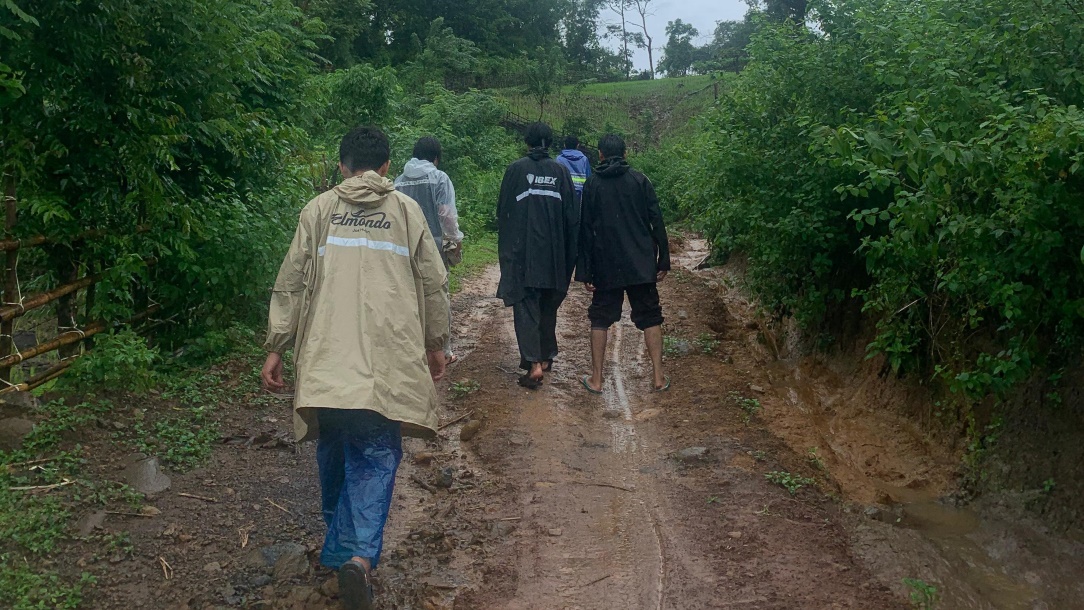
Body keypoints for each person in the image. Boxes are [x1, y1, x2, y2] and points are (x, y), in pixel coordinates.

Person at [260, 126, 449, 610]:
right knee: (377, 451)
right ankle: (358, 558)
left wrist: (277, 345)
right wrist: (435, 343)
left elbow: (292, 282)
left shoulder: (319, 211)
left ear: (341, 166)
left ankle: (339, 549)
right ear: (386, 168)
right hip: (386, 363)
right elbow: (432, 282)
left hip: (327, 361)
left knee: (335, 444)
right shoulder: (406, 213)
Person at [576, 134, 671, 393]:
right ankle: (658, 377)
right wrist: (663, 259)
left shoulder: (592, 184)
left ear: (600, 155)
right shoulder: (640, 181)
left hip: (605, 264)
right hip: (641, 263)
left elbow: (585, 229)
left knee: (600, 319)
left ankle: (596, 380)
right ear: (626, 154)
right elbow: (656, 220)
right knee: (651, 316)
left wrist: (584, 269)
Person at [496, 122, 579, 389]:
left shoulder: (515, 170)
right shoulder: (561, 172)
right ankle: (545, 356)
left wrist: (508, 252)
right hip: (555, 254)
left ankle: (533, 364)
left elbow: (503, 212)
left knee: (526, 304)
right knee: (548, 304)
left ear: (527, 143)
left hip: (523, 253)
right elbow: (571, 217)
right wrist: (571, 255)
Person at [394, 136, 464, 363]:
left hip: (404, 246)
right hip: (434, 247)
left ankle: (410, 350)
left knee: (408, 295)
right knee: (437, 296)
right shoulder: (439, 178)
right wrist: (455, 240)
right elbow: (446, 214)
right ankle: (443, 351)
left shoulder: (398, 182)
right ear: (436, 158)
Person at [555, 135, 591, 203]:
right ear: (577, 145)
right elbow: (589, 179)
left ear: (564, 145)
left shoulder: (559, 159)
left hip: (563, 195)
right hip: (580, 197)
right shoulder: (584, 159)